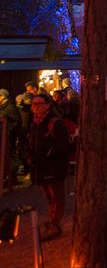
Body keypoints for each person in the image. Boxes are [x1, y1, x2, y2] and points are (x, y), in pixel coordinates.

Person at [27, 94, 69, 240]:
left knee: (57, 195)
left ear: (48, 105)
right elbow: (31, 142)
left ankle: (54, 223)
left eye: (39, 103)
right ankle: (51, 221)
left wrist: (49, 157)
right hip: (40, 166)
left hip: (53, 166)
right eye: (34, 104)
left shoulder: (54, 123)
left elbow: (61, 145)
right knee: (49, 195)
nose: (36, 106)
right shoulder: (34, 123)